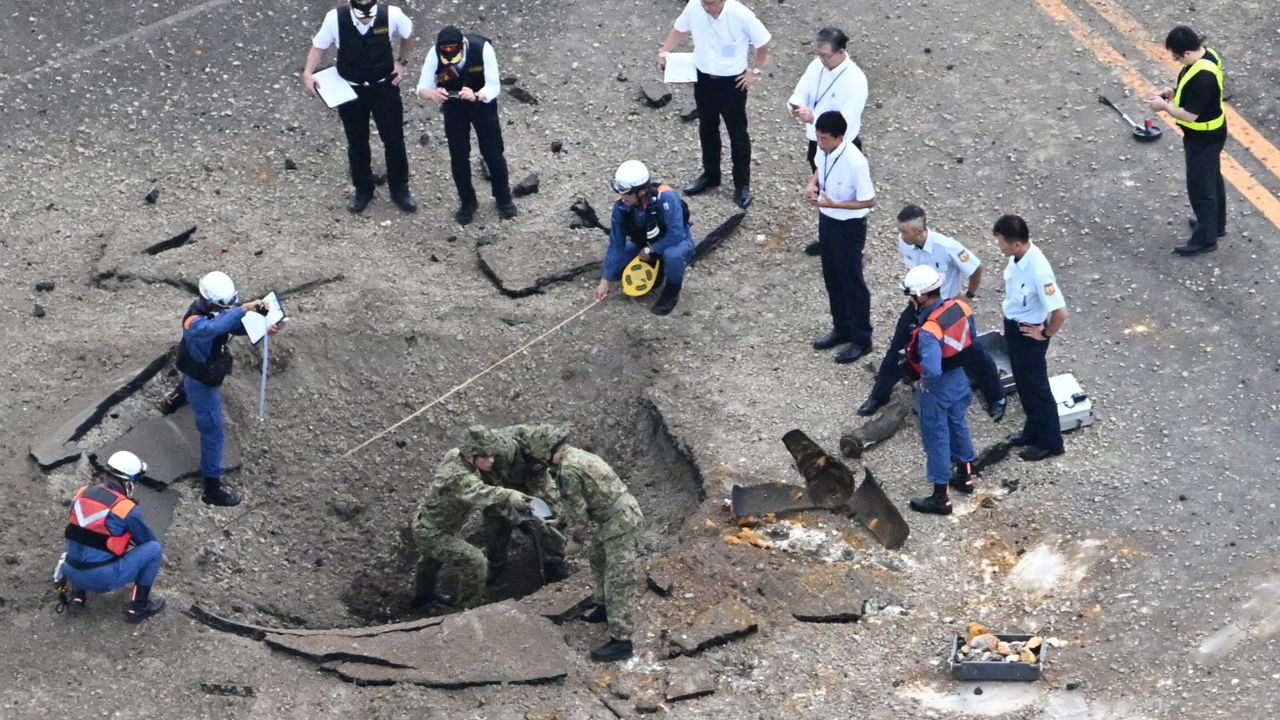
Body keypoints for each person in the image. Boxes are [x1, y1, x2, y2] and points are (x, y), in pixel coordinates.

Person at [858, 204, 1006, 421]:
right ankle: (879, 395)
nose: (900, 235)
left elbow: (976, 268)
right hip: (918, 305)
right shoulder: (905, 244)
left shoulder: (946, 246)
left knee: (971, 353)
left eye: (904, 231)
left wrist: (969, 296)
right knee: (898, 350)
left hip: (947, 310)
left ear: (919, 231)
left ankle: (996, 397)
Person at [525, 425, 644, 663]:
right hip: (611, 518)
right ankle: (603, 608)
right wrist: (560, 521)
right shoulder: (578, 456)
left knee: (618, 579)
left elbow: (579, 512)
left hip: (621, 521)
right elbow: (582, 503)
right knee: (597, 558)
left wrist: (574, 541)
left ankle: (622, 641)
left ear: (548, 451)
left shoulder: (568, 470)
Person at [302, 0, 417, 214]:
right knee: (357, 142)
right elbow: (319, 46)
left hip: (384, 86)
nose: (366, 18)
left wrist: (402, 62)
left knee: (394, 140)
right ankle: (363, 189)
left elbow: (408, 34)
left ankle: (400, 189)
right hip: (351, 89)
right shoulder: (334, 19)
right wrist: (308, 72)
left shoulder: (392, 15)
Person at [176, 272, 280, 507]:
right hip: (201, 380)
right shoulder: (195, 323)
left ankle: (176, 397)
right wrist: (243, 308)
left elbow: (231, 325)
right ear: (211, 301)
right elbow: (217, 327)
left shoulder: (210, 311)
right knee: (213, 432)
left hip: (195, 366)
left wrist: (264, 326)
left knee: (187, 384)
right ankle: (212, 488)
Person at [658, 0, 772, 209]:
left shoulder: (741, 15)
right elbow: (679, 29)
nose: (707, 9)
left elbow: (763, 42)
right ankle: (711, 175)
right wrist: (664, 51)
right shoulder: (695, 6)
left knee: (737, 133)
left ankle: (742, 184)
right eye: (704, 4)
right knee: (707, 128)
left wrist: (755, 71)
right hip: (703, 79)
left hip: (732, 83)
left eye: (710, 5)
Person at [410, 427, 535, 609]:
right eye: (485, 456)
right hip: (432, 532)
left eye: (491, 454)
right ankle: (467, 611)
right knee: (476, 562)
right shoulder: (457, 476)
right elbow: (478, 491)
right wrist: (509, 495)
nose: (491, 460)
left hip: (436, 525)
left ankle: (422, 598)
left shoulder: (457, 455)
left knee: (431, 560)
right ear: (470, 456)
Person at [899, 267, 979, 516]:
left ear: (922, 297)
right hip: (959, 380)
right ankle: (965, 477)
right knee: (958, 424)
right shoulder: (961, 308)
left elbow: (932, 368)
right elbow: (972, 340)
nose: (911, 300)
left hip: (937, 388)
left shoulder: (929, 330)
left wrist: (924, 382)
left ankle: (940, 496)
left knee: (936, 437)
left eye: (912, 296)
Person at [417, 26, 516, 226]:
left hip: (481, 104)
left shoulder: (483, 48)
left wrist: (477, 95)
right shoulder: (434, 53)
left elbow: (494, 85)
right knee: (458, 155)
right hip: (454, 107)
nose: (448, 54)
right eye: (445, 51)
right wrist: (433, 94)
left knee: (493, 152)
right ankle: (467, 202)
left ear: (462, 45)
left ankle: (503, 197)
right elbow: (421, 88)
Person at [1144, 26, 1226, 257]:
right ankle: (1216, 225)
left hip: (1202, 138)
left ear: (1187, 52)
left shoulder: (1203, 77)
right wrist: (1171, 92)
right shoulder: (1208, 57)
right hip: (1212, 133)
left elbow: (1190, 115)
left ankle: (1205, 239)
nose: (1177, 60)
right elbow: (1192, 92)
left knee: (1201, 189)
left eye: (1177, 56)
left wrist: (1164, 107)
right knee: (1213, 180)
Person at [788, 27, 869, 257]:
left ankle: (852, 246)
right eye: (819, 54)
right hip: (818, 142)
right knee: (823, 191)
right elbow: (800, 92)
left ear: (841, 52)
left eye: (826, 55)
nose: (822, 59)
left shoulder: (855, 80)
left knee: (845, 197)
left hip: (842, 145)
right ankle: (827, 239)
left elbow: (845, 122)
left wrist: (813, 118)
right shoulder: (816, 66)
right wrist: (796, 107)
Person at [60, 451, 168, 622]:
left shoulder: (82, 493)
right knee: (154, 550)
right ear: (127, 482)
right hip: (102, 579)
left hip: (70, 571)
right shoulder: (125, 508)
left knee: (81, 540)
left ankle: (77, 597)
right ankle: (138, 608)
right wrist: (161, 557)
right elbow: (146, 541)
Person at [994, 214, 1068, 462]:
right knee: (1024, 385)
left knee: (1037, 388)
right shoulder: (1018, 258)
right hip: (1015, 328)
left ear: (1016, 244)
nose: (998, 245)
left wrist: (1044, 333)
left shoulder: (1038, 271)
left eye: (1001, 242)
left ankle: (1051, 441)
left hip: (1029, 333)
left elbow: (1060, 312)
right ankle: (1033, 429)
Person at [805, 111, 876, 364]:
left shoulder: (856, 162)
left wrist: (837, 204)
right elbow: (818, 167)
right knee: (831, 274)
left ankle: (862, 338)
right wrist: (812, 183)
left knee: (851, 280)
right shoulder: (823, 149)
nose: (819, 141)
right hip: (827, 219)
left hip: (849, 225)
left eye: (823, 138)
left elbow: (869, 200)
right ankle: (841, 326)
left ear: (839, 137)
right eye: (818, 136)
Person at [468, 424, 570, 585]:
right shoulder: (487, 455)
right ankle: (496, 563)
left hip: (528, 478)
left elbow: (539, 485)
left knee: (550, 512)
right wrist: (514, 514)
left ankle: (553, 560)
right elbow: (490, 493)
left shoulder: (537, 449)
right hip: (499, 485)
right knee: (495, 519)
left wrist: (534, 510)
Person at [594, 160, 696, 316]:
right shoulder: (620, 207)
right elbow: (616, 243)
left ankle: (671, 290)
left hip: (674, 242)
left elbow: (676, 234)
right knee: (613, 272)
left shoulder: (666, 198)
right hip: (642, 243)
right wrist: (605, 280)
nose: (623, 197)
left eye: (627, 193)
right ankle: (656, 265)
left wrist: (652, 249)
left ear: (641, 191)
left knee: (672, 255)